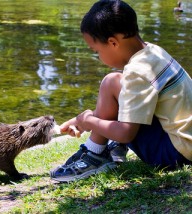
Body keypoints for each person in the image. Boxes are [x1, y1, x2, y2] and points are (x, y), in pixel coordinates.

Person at [50, 0, 192, 182]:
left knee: (111, 82)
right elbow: (136, 103)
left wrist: (88, 120)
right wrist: (85, 119)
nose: (98, 57)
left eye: (96, 51)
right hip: (186, 140)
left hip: (175, 153)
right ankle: (108, 146)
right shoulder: (153, 52)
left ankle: (95, 155)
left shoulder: (137, 72)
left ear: (113, 43)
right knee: (114, 82)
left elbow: (126, 132)